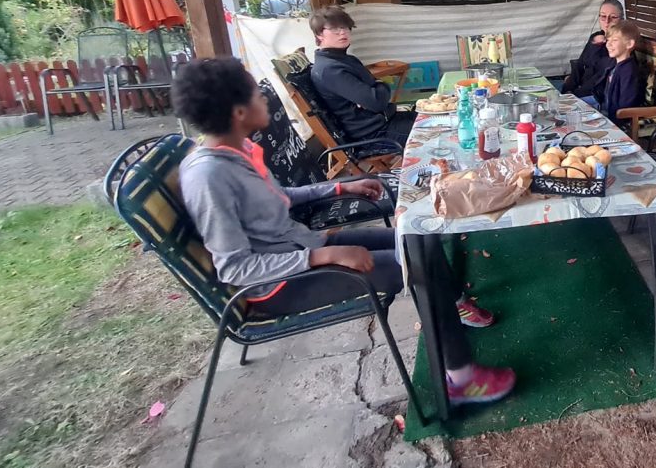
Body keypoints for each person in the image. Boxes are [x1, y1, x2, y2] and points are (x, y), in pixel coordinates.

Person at [171, 58, 516, 405]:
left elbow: (274, 200)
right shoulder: (209, 176)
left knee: (416, 239)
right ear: (238, 112)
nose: (265, 100)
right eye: (256, 94)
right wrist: (323, 255)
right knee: (419, 268)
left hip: (300, 245)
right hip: (277, 285)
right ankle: (462, 380)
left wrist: (337, 189)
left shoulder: (239, 150)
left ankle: (450, 305)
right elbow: (235, 268)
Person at [308, 6, 417, 146]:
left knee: (441, 119)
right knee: (440, 130)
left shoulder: (347, 60)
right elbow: (377, 102)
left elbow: (374, 98)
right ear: (319, 34)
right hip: (373, 134)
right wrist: (378, 85)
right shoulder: (329, 69)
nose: (342, 33)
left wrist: (375, 89)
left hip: (387, 120)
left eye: (346, 27)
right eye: (334, 29)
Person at [583, 20, 643, 126]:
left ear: (629, 44)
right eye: (608, 40)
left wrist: (605, 119)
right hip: (602, 107)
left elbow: (626, 105)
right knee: (572, 105)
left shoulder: (629, 71)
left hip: (614, 118)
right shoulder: (615, 65)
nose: (608, 44)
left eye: (614, 40)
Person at [562, 0, 623, 97]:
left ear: (621, 20)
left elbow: (600, 78)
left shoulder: (620, 45)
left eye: (613, 17)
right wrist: (567, 89)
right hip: (580, 90)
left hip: (596, 95)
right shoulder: (596, 37)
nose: (607, 21)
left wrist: (576, 94)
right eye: (603, 16)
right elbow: (580, 64)